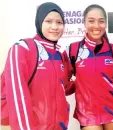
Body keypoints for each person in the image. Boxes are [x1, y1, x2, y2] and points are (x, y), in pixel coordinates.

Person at [1, 2, 70, 130]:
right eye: (48, 21)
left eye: (59, 22)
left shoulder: (59, 56)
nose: (54, 26)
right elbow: (17, 97)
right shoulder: (23, 48)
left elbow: (63, 88)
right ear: (39, 22)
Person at [66, 4, 113, 130]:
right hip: (87, 113)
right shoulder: (73, 50)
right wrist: (78, 84)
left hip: (112, 110)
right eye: (91, 21)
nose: (96, 26)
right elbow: (63, 83)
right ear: (84, 23)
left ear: (106, 24)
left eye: (101, 21)